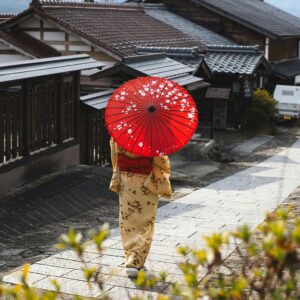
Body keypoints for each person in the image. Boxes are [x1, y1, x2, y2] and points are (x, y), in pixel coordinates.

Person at [109, 138, 172, 278]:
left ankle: (130, 257)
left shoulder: (120, 132)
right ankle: (136, 262)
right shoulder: (152, 133)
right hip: (146, 181)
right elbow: (161, 160)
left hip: (126, 180)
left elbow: (115, 155)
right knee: (145, 222)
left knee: (128, 220)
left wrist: (118, 172)